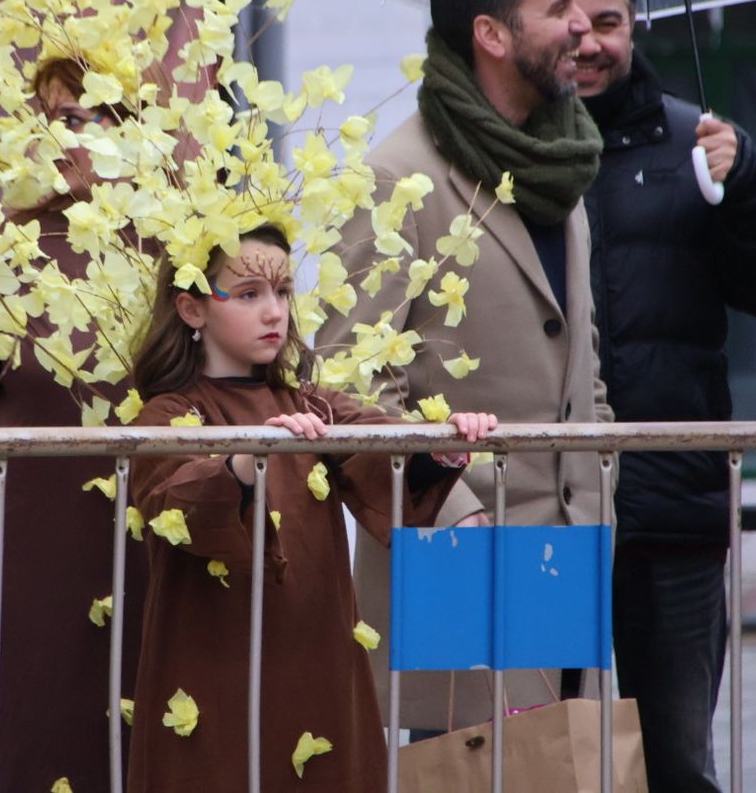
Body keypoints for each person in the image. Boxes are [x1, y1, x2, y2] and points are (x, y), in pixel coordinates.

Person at [318, 0, 609, 732]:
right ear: (491, 33)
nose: (582, 26)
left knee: (563, 779)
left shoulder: (560, 162)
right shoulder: (394, 177)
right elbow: (346, 382)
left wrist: (599, 476)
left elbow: (577, 360)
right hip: (457, 546)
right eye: (559, 9)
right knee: (464, 769)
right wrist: (456, 506)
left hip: (569, 549)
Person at [560, 0, 756, 792]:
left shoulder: (694, 142)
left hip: (669, 515)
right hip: (542, 518)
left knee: (675, 762)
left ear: (635, 26)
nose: (590, 41)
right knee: (540, 758)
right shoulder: (507, 153)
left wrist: (748, 182)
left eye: (609, 21)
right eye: (571, 21)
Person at [126, 224, 495, 792]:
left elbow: (385, 456)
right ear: (192, 309)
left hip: (315, 657)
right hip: (211, 665)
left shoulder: (312, 403)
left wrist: (443, 444)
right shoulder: (168, 413)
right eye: (249, 294)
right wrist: (247, 460)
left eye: (282, 293)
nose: (274, 312)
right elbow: (175, 504)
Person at [0, 58, 149, 792]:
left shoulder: (179, 245)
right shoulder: (2, 248)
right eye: (50, 119)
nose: (64, 136)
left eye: (85, 117)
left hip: (151, 546)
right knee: (33, 746)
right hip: (30, 553)